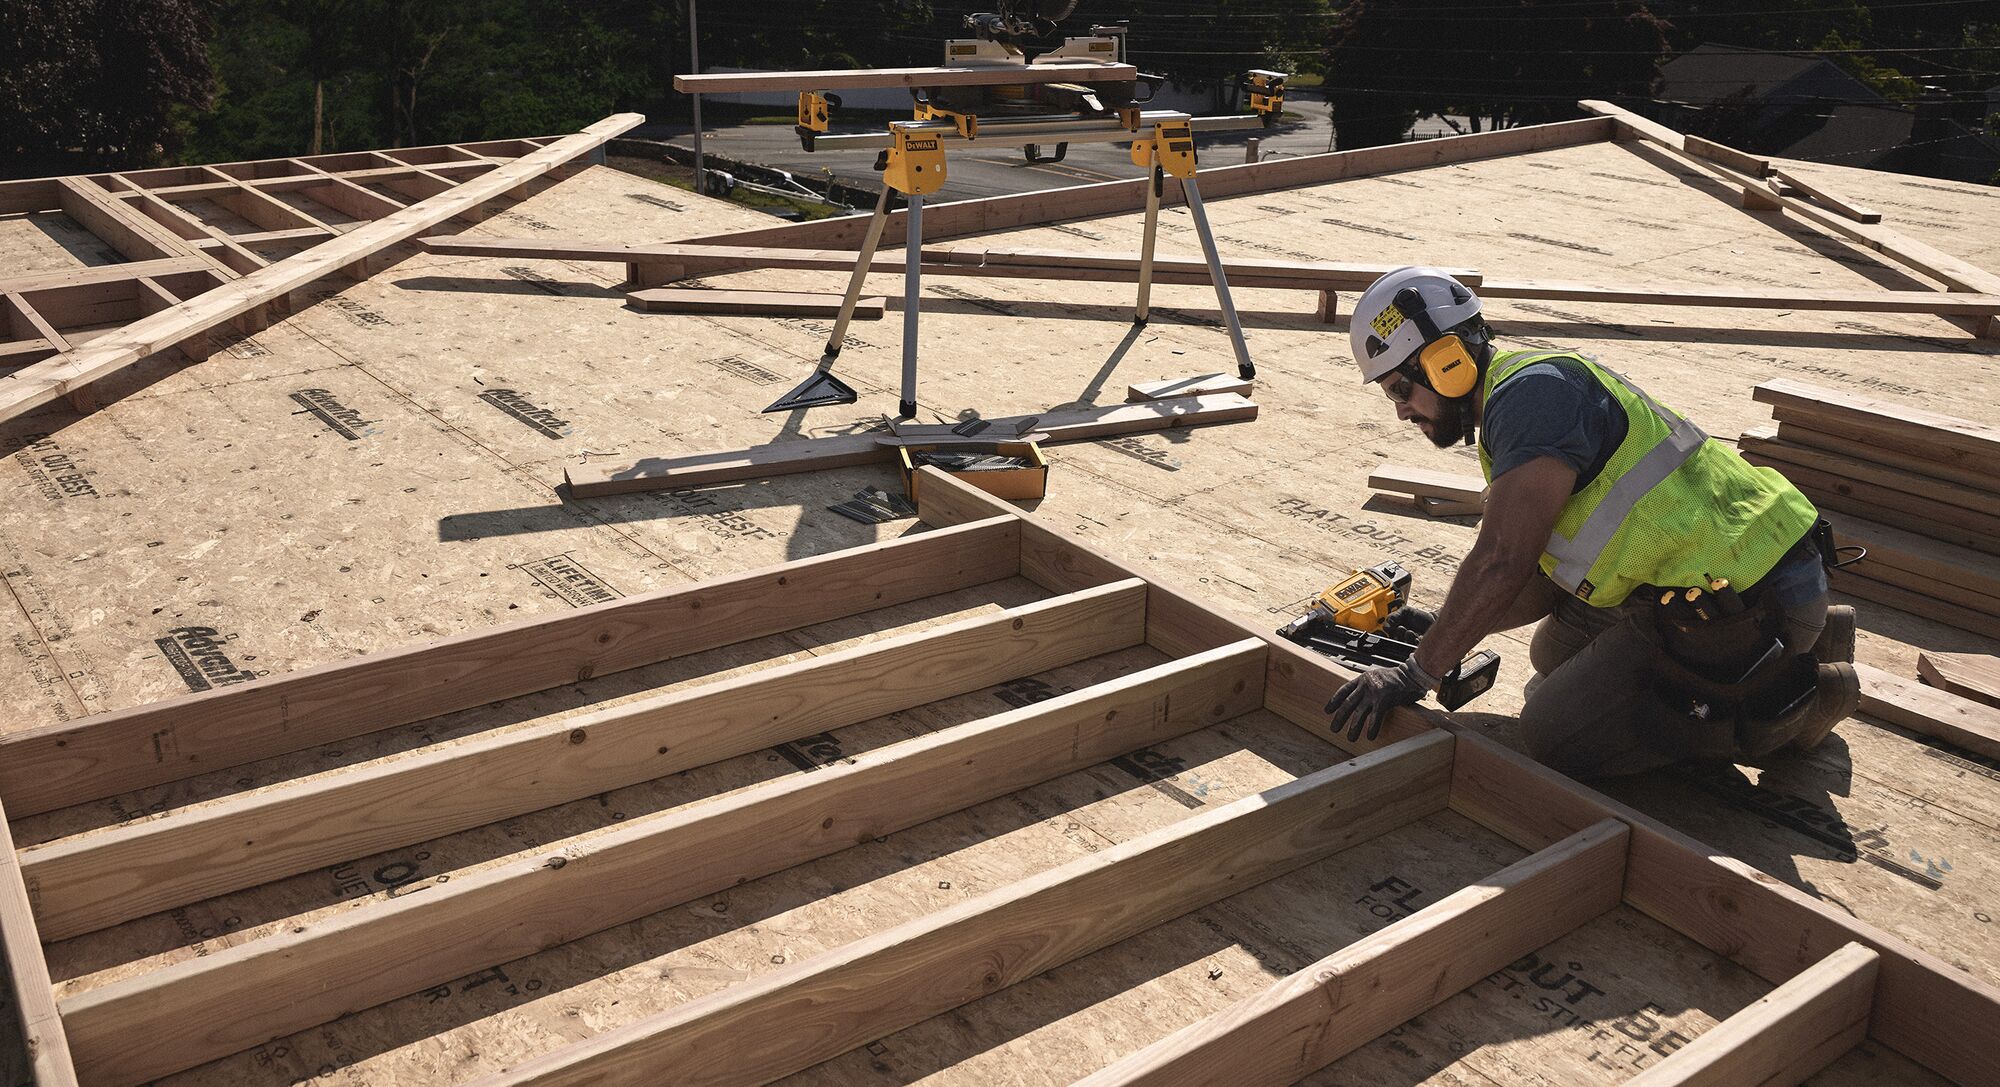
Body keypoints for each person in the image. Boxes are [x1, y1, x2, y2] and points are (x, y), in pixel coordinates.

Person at [1324, 267, 1857, 779]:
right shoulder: (1522, 398)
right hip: (1727, 588)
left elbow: (1502, 563)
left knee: (1555, 737)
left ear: (1448, 362)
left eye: (1399, 390)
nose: (1400, 411)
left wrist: (1415, 673)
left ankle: (1794, 704)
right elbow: (1539, 579)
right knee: (1551, 651)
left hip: (1741, 602)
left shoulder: (1532, 399)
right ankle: (1806, 640)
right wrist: (1445, 633)